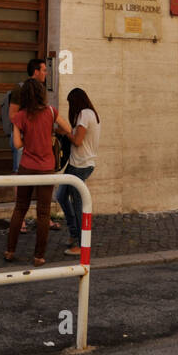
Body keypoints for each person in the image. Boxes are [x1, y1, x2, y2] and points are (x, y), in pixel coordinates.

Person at [4, 71, 71, 265]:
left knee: (20, 209)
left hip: (26, 166)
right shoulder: (51, 112)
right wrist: (49, 132)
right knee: (43, 212)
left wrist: (29, 138)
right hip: (46, 168)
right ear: (42, 93)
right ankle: (39, 256)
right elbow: (66, 128)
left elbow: (17, 144)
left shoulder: (21, 116)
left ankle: (10, 251)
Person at [57, 89, 101, 256]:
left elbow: (77, 141)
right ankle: (74, 233)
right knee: (61, 196)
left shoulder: (84, 114)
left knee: (78, 204)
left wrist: (67, 131)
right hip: (78, 164)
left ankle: (82, 244)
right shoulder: (92, 114)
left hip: (80, 165)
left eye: (70, 103)